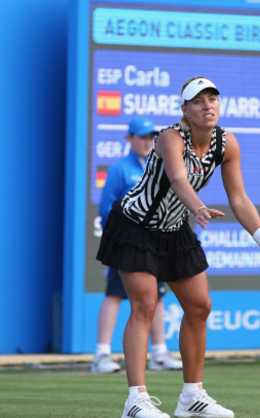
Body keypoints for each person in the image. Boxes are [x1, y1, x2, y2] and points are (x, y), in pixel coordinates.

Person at [97, 76, 260, 418]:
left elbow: (239, 198)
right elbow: (178, 179)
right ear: (185, 110)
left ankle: (191, 398)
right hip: (135, 226)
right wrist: (197, 207)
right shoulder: (170, 137)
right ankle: (136, 401)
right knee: (145, 304)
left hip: (173, 229)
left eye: (212, 98)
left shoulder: (227, 144)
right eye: (198, 101)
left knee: (200, 306)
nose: (207, 105)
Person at [92, 117, 183, 374]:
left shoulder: (162, 167)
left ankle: (159, 353)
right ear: (129, 139)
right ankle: (101, 356)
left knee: (158, 295)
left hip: (157, 243)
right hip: (127, 244)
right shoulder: (119, 169)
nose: (146, 142)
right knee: (114, 294)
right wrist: (124, 236)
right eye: (141, 137)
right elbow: (105, 209)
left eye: (150, 138)